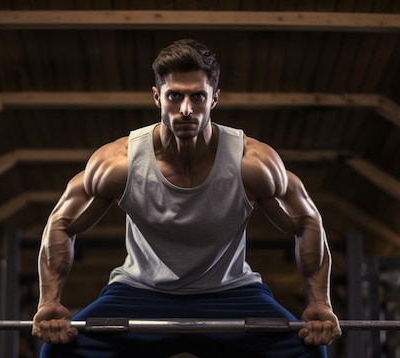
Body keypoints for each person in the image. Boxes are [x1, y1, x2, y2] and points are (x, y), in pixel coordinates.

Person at [32, 39, 341, 357]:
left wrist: (320, 303)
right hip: (141, 290)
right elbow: (63, 222)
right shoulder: (119, 163)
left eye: (198, 97)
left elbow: (306, 221)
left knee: (308, 351)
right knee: (58, 352)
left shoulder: (252, 163)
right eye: (174, 96)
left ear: (214, 99)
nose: (186, 109)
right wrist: (49, 302)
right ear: (157, 97)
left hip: (230, 291)